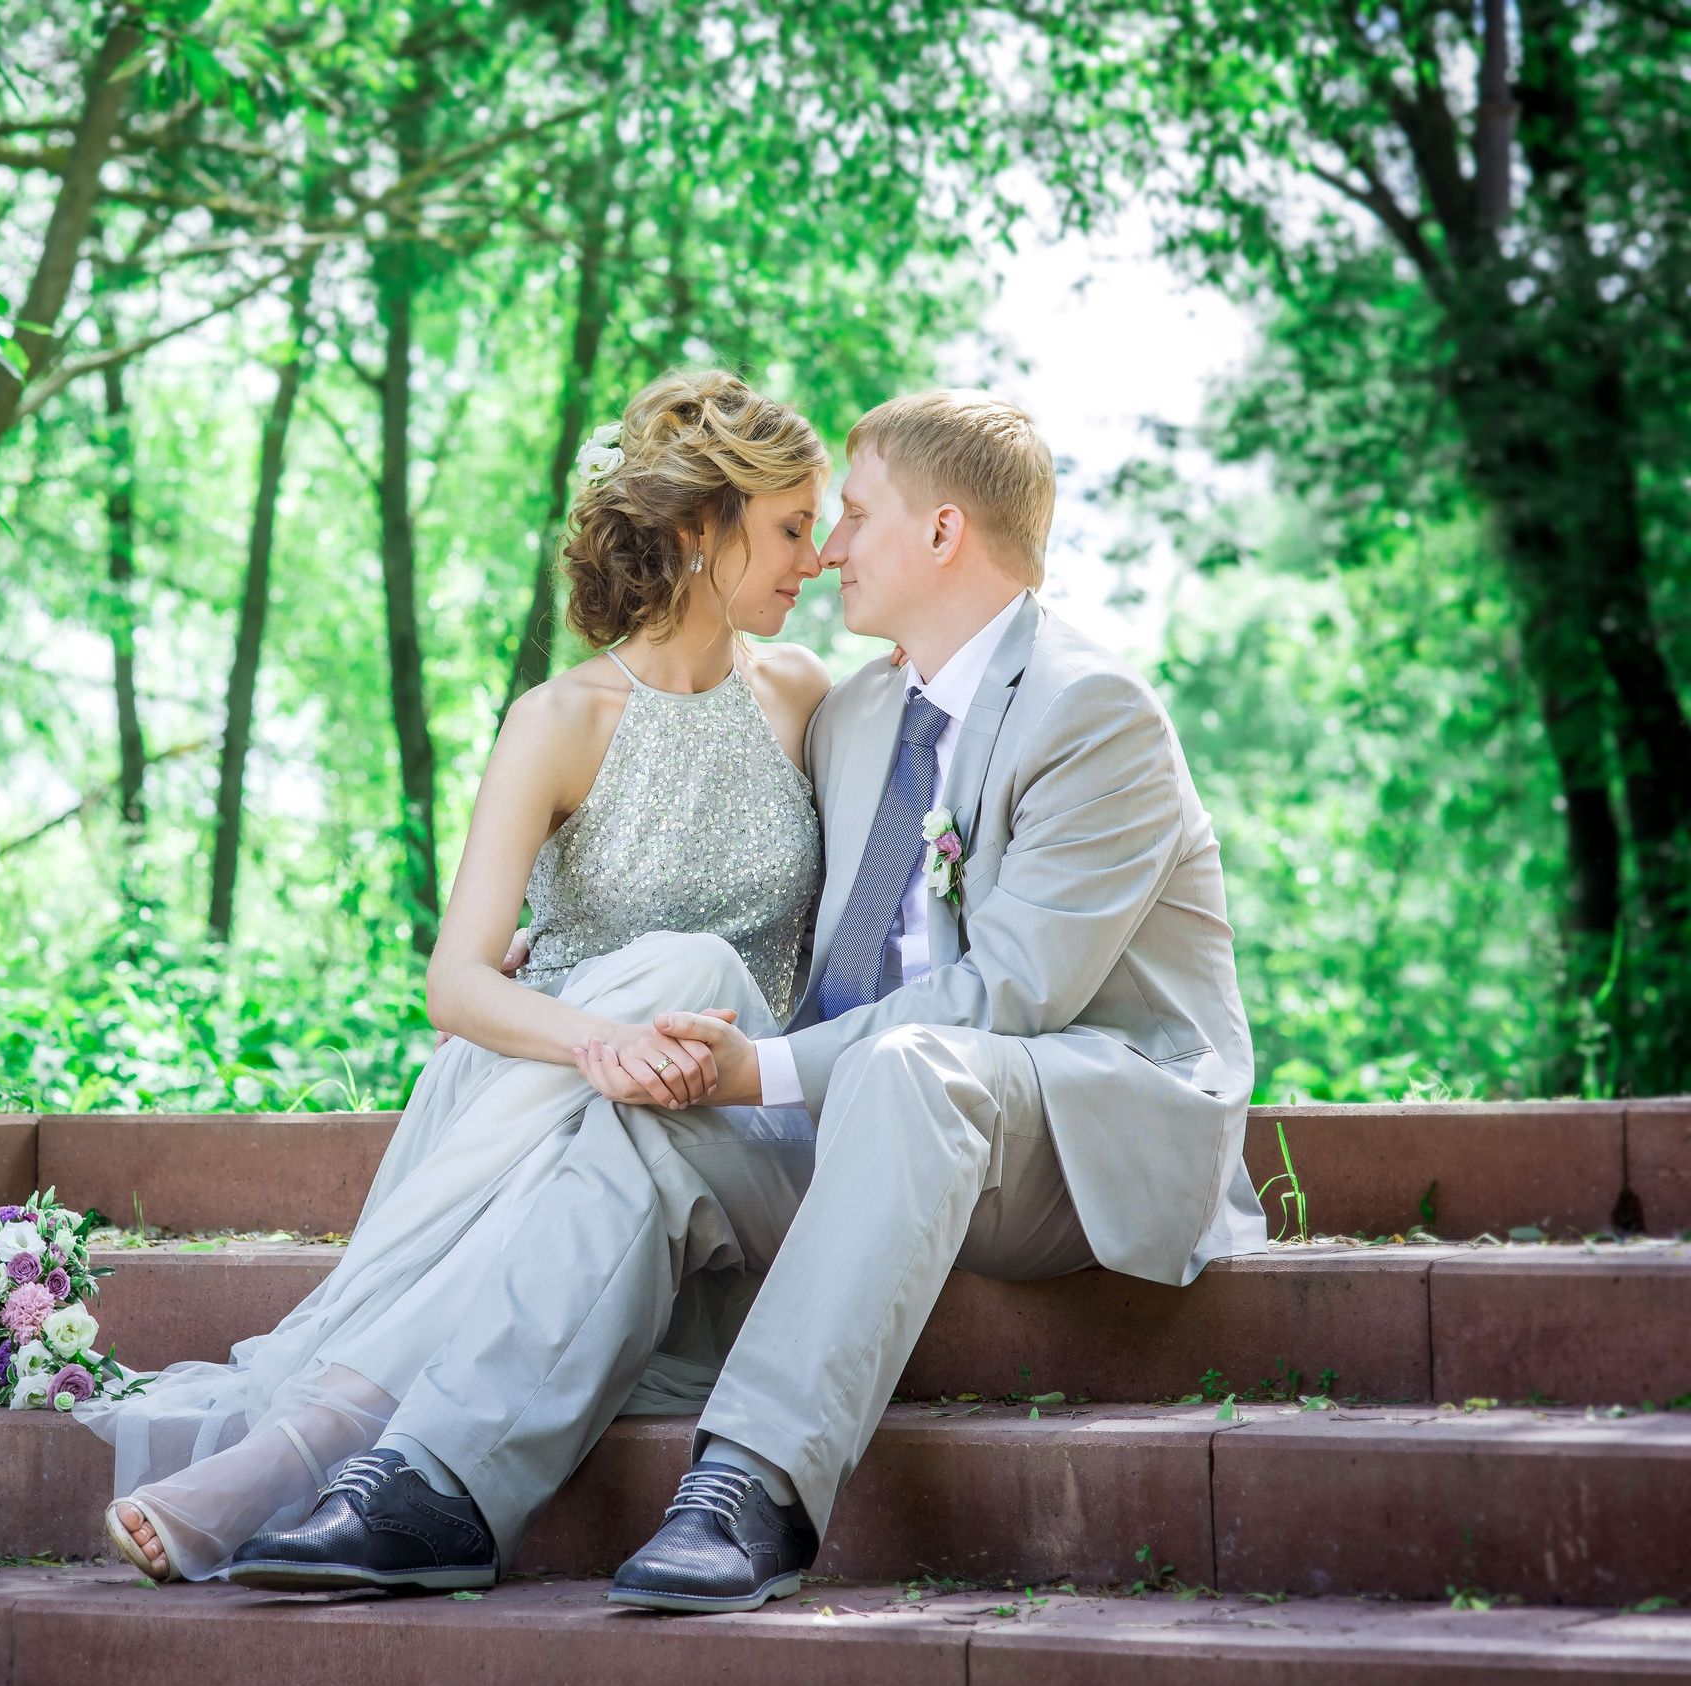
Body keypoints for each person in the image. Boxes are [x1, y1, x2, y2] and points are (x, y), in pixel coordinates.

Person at [223, 388, 1268, 1611]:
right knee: (651, 1110)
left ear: (941, 533)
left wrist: (762, 1072)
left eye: (855, 518)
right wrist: (587, 984)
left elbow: (1008, 997)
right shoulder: (858, 708)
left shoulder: (1095, 713)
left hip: (1065, 1135)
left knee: (913, 1064)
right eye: (810, 525)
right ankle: (441, 1483)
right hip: (864, 1130)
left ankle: (753, 1484)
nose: (827, 551)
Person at [81, 370, 834, 1584]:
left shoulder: (805, 698)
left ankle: (301, 1445)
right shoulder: (559, 718)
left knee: (690, 978)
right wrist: (601, 1043)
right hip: (571, 1127)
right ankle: (364, 1471)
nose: (821, 558)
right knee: (615, 1137)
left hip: (741, 1146)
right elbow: (458, 986)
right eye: (794, 526)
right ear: (700, 529)